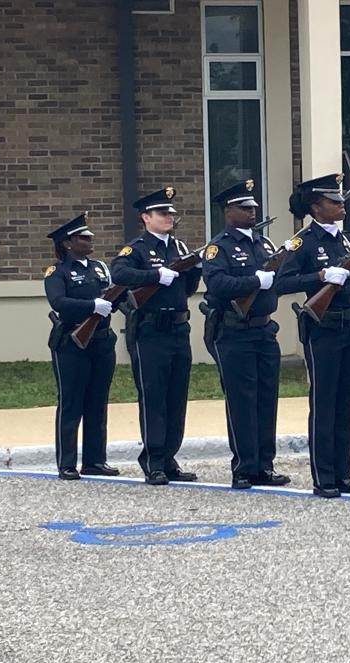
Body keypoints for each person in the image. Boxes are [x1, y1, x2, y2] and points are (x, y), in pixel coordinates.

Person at [276, 174, 350, 498]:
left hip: (349, 326)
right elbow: (282, 283)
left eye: (342, 200)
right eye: (334, 201)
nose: (341, 205)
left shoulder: (345, 241)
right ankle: (324, 475)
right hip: (324, 329)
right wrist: (319, 275)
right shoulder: (302, 243)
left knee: (345, 404)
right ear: (316, 207)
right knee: (324, 402)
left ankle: (343, 473)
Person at [200, 179, 290, 490]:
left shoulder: (263, 244)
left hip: (264, 330)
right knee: (241, 400)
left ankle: (265, 465)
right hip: (234, 333)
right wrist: (255, 281)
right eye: (244, 207)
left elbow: (278, 280)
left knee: (267, 398)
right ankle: (243, 467)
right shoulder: (218, 248)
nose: (252, 211)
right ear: (228, 212)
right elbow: (218, 285)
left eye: (253, 207)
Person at [111, 187, 201, 486]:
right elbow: (119, 275)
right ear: (146, 217)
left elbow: (185, 289)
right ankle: (152, 458)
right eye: (163, 213)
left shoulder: (179, 247)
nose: (169, 218)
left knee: (176, 396)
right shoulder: (135, 249)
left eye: (171, 214)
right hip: (150, 330)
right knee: (153, 396)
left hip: (178, 327)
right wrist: (154, 275)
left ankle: (169, 457)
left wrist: (194, 269)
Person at [43, 213, 118, 480]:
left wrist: (114, 301)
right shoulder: (57, 272)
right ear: (67, 243)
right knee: (71, 402)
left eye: (89, 237)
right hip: (72, 343)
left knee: (98, 401)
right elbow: (58, 302)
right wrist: (91, 306)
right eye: (83, 238)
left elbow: (111, 298)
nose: (90, 241)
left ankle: (95, 460)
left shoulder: (99, 267)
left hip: (101, 341)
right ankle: (66, 462)